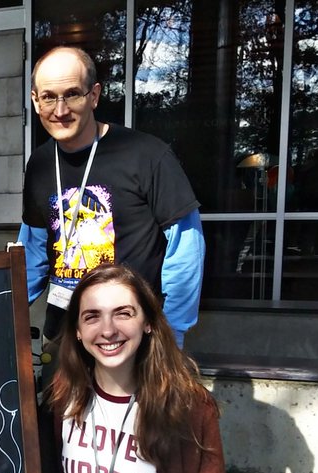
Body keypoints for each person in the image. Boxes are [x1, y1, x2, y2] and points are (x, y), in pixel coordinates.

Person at [43, 264, 226, 473]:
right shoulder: (61, 401)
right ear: (78, 332)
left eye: (123, 313)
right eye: (92, 316)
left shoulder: (189, 408)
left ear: (149, 324)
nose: (108, 329)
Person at [18, 46, 204, 348]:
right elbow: (33, 252)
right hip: (65, 335)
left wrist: (172, 335)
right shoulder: (39, 164)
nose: (60, 109)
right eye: (49, 96)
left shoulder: (146, 155)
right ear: (36, 101)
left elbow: (186, 251)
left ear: (94, 95)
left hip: (130, 340)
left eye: (73, 94)